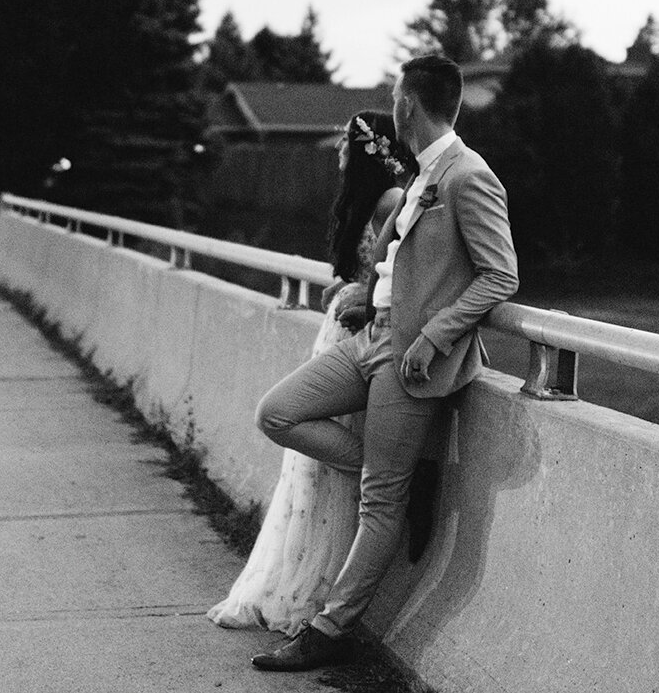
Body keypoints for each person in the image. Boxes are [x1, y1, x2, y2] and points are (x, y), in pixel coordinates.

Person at [249, 54, 518, 672]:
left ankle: (329, 630)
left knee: (378, 505)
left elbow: (500, 273)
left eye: (396, 97)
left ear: (406, 105)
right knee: (279, 413)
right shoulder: (425, 173)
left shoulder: (467, 175)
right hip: (371, 337)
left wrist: (433, 336)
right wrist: (363, 293)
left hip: (410, 359)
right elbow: (392, 253)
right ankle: (403, 474)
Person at [207, 110, 415, 636]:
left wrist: (363, 297)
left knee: (317, 457)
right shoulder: (362, 204)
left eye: (347, 143)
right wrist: (346, 288)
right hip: (340, 335)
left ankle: (329, 582)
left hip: (364, 343)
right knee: (308, 470)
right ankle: (299, 583)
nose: (339, 152)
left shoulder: (392, 201)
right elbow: (366, 275)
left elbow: (400, 282)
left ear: (366, 153)